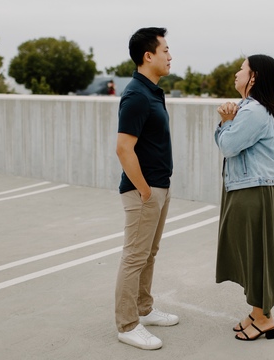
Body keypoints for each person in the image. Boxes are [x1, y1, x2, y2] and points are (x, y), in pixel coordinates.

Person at [114, 27, 178, 350]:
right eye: (165, 50)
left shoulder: (152, 91)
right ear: (147, 56)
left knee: (149, 253)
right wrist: (145, 191)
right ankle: (127, 324)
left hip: (158, 186)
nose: (170, 56)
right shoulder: (137, 95)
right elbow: (123, 148)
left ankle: (144, 309)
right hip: (145, 190)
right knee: (135, 256)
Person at [214, 54, 274, 341]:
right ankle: (257, 312)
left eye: (242, 69)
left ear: (253, 77)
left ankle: (265, 317)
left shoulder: (254, 111)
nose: (236, 73)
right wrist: (229, 119)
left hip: (253, 190)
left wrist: (225, 122)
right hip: (246, 187)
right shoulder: (248, 108)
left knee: (256, 255)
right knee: (250, 253)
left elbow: (228, 146)